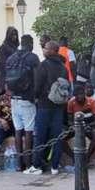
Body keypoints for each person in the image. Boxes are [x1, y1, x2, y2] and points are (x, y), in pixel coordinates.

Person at [24, 41, 69, 175]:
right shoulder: (63, 67)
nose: (43, 50)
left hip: (44, 105)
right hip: (59, 106)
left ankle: (37, 165)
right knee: (57, 136)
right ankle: (55, 166)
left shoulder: (43, 66)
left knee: (40, 136)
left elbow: (37, 86)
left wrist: (35, 97)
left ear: (53, 50)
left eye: (46, 48)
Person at [6, 34, 40, 170]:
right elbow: (37, 79)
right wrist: (36, 96)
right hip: (27, 100)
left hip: (14, 99)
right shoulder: (33, 58)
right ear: (30, 43)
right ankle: (29, 164)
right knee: (29, 131)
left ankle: (19, 165)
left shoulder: (11, 58)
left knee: (18, 131)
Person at [62, 84, 95, 164]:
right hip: (76, 126)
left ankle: (87, 157)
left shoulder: (92, 102)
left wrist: (88, 125)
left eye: (82, 94)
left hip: (89, 125)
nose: (80, 96)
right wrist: (73, 126)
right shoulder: (71, 103)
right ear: (74, 96)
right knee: (59, 138)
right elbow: (70, 120)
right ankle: (73, 157)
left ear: (84, 94)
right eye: (77, 95)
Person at [0, 27, 20, 91]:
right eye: (12, 35)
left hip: (15, 76)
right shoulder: (3, 47)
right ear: (8, 36)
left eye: (15, 35)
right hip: (6, 76)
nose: (14, 36)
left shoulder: (15, 47)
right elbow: (3, 63)